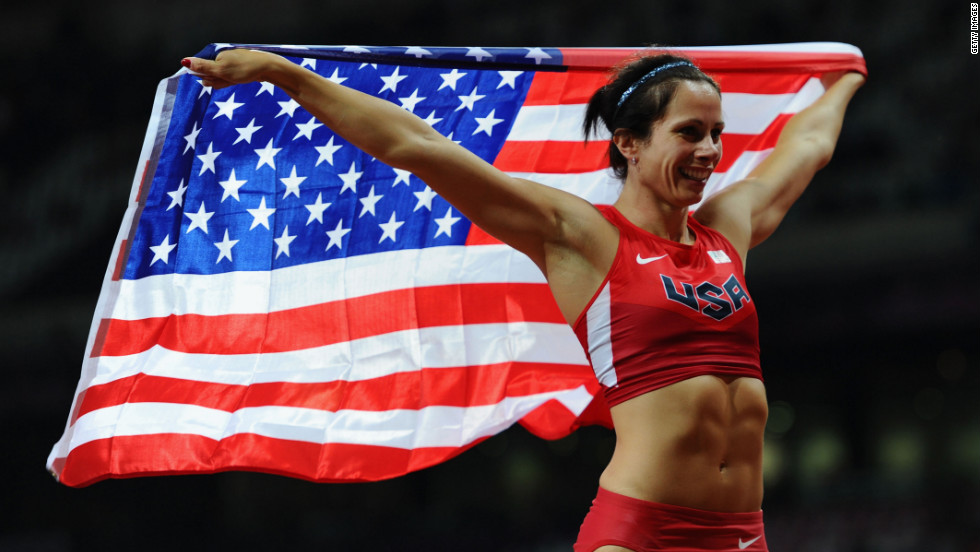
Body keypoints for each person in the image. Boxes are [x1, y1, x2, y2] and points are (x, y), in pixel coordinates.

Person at [183, 48, 864, 551]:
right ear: (628, 143)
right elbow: (414, 145)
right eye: (690, 133)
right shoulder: (581, 236)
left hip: (744, 535)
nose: (711, 150)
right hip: (642, 532)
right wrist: (284, 74)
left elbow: (807, 146)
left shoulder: (727, 230)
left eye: (716, 133)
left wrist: (848, 78)